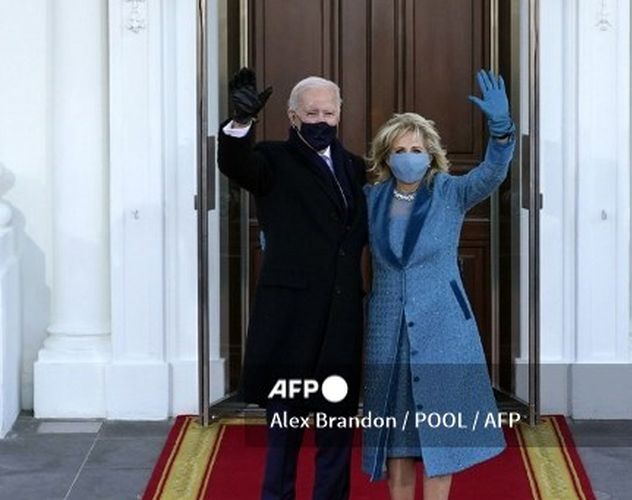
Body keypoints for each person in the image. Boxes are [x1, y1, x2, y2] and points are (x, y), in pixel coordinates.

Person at [361, 69, 516, 500]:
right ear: (385, 157)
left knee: (441, 443)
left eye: (416, 148)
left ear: (430, 154)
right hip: (387, 333)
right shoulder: (371, 199)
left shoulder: (450, 192)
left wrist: (501, 132)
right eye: (399, 149)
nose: (409, 155)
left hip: (444, 330)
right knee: (397, 441)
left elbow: (492, 174)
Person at [217, 68, 368, 500]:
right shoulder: (271, 159)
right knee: (284, 429)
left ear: (340, 114)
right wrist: (240, 123)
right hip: (290, 322)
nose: (320, 119)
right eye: (311, 112)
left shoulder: (354, 167)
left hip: (340, 321)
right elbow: (236, 163)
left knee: (336, 430)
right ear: (292, 115)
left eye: (328, 111)